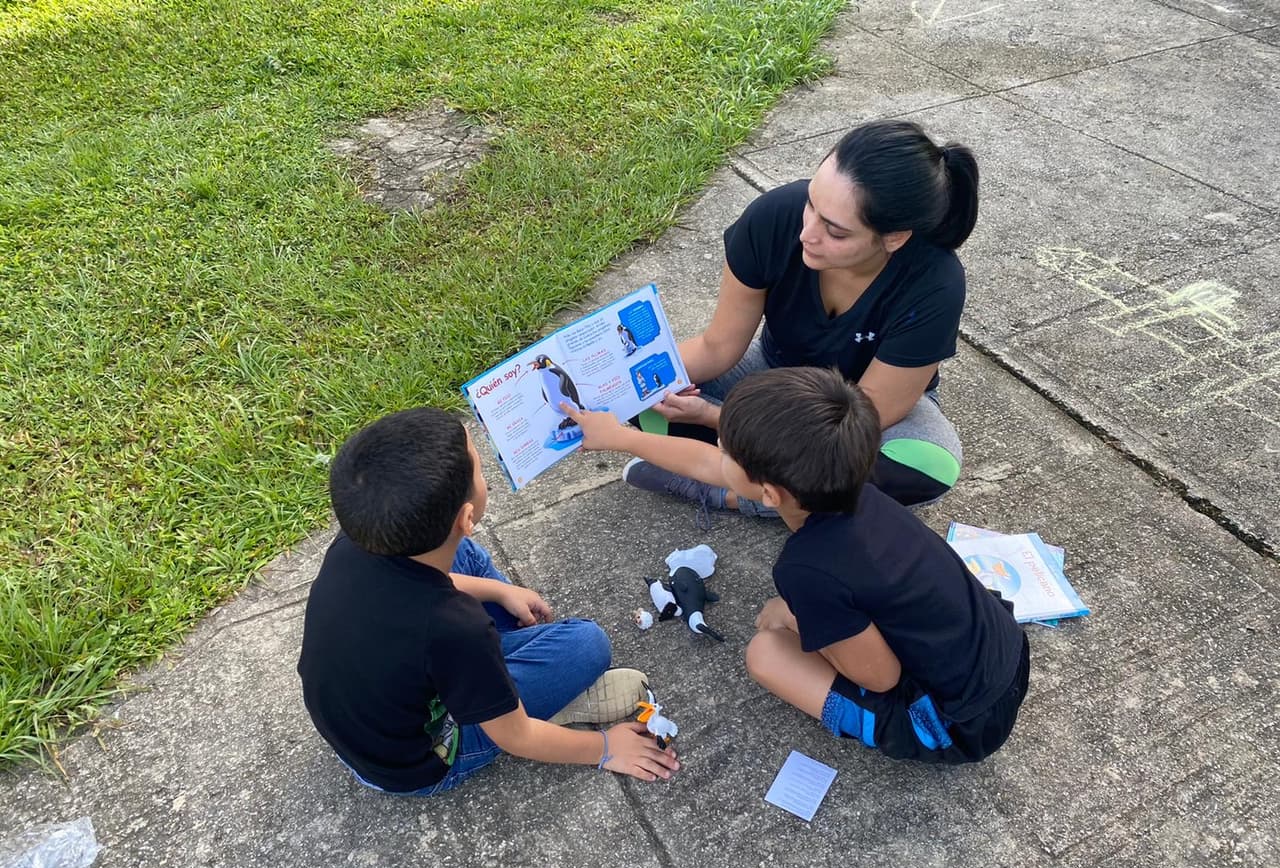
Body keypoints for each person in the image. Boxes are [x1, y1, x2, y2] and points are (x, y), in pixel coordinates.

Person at [560, 366, 1029, 764]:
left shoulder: (808, 568)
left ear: (768, 494)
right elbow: (708, 466)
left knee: (766, 653)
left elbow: (880, 677)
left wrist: (794, 617)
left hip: (958, 724)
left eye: (727, 448)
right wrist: (621, 437)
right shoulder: (860, 490)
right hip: (1004, 656)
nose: (718, 445)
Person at [297, 407, 680, 796]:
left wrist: (500, 591)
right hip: (419, 764)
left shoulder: (355, 542)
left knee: (463, 554)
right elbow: (518, 738)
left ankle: (499, 687)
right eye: (481, 469)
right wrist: (605, 748)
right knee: (587, 645)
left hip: (370, 715)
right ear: (467, 516)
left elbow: (415, 587)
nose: (486, 477)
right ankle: (535, 705)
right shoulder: (457, 628)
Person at [625, 119, 979, 518]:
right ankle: (770, 486)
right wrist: (621, 382)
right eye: (811, 204)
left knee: (928, 464)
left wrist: (715, 417)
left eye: (836, 232)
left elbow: (860, 417)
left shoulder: (934, 283)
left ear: (894, 237)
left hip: (856, 411)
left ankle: (726, 490)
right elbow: (717, 347)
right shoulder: (774, 217)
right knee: (641, 395)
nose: (806, 234)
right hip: (774, 373)